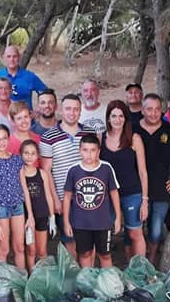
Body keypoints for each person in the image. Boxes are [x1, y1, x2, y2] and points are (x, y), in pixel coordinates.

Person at [134, 93, 170, 265]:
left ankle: (151, 261)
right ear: (143, 110)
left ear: (162, 110)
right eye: (149, 109)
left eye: (157, 109)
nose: (153, 113)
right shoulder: (133, 129)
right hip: (136, 189)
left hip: (161, 189)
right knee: (135, 231)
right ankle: (136, 263)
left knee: (155, 231)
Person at [39, 94, 94, 256]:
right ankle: (73, 274)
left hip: (88, 196)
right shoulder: (48, 137)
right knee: (69, 238)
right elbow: (46, 171)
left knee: (88, 238)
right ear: (60, 110)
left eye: (76, 109)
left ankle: (86, 274)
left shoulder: (89, 133)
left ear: (80, 110)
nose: (72, 112)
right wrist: (55, 199)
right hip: (64, 198)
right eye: (68, 108)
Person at [62, 134, 122, 268]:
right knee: (84, 254)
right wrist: (66, 221)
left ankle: (108, 285)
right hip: (81, 222)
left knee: (105, 255)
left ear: (98, 151)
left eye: (92, 150)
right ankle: (87, 284)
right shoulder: (73, 170)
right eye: (85, 150)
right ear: (79, 151)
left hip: (103, 222)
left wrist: (118, 217)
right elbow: (67, 197)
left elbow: (114, 192)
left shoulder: (106, 168)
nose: (89, 154)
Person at [101, 100, 148, 257]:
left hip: (132, 193)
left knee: (135, 233)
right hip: (107, 195)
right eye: (113, 116)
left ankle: (139, 269)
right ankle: (106, 269)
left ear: (126, 118)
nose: (117, 119)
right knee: (104, 232)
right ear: (108, 118)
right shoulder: (100, 138)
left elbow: (142, 172)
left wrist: (145, 201)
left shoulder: (134, 139)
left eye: (121, 116)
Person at [0, 124, 27, 269]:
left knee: (20, 247)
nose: (1, 142)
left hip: (18, 207)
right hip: (1, 208)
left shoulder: (17, 160)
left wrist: (31, 215)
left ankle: (22, 281)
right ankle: (1, 284)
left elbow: (24, 188)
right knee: (3, 249)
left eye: (4, 138)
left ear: (9, 139)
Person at [20, 140, 54, 271]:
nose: (29, 156)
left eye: (33, 153)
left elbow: (48, 196)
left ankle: (43, 278)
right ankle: (32, 275)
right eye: (26, 153)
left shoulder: (42, 173)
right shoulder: (20, 173)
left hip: (42, 214)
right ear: (21, 154)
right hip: (27, 216)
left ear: (37, 155)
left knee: (42, 251)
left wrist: (52, 217)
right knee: (31, 250)